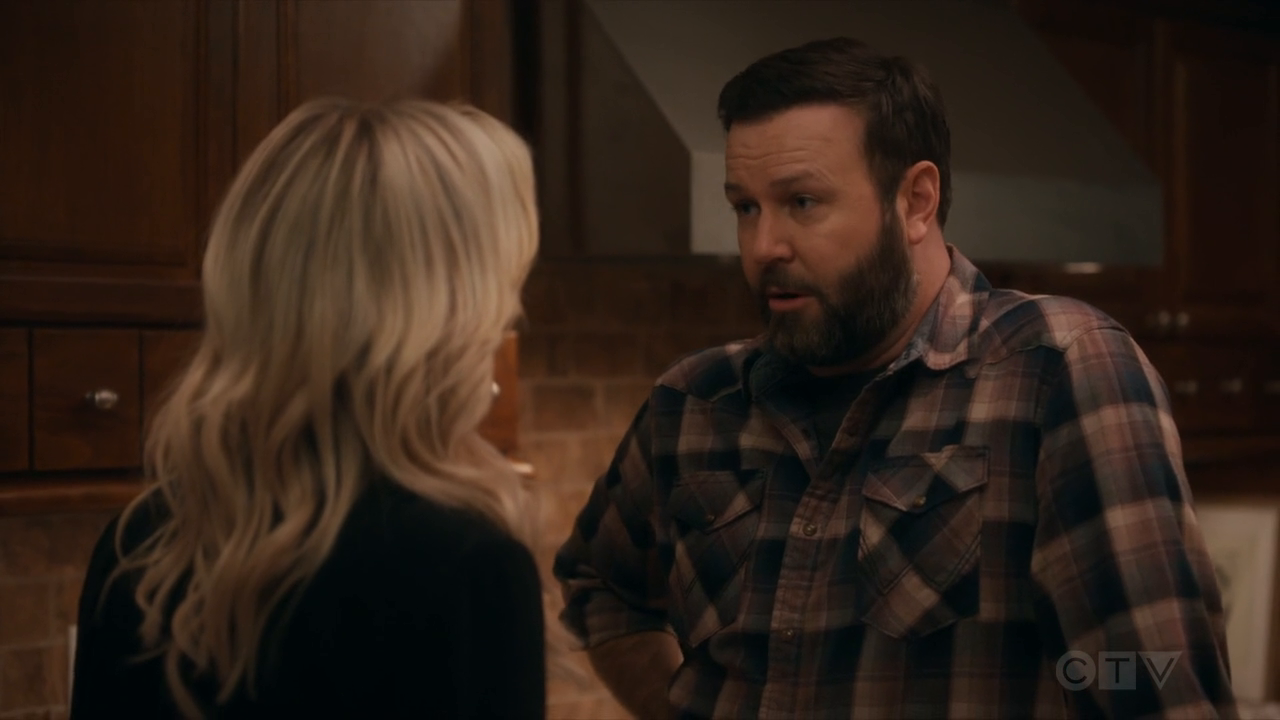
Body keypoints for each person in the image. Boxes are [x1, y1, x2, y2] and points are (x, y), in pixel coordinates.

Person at [553, 37, 1235, 719]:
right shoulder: (696, 402)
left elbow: (1154, 678)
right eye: (746, 208)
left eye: (802, 202)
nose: (763, 247)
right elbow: (600, 586)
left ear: (916, 201)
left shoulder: (1056, 371)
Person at [72, 97, 552, 718]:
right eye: (505, 286)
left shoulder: (139, 548)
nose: (510, 314)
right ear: (447, 313)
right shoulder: (469, 567)